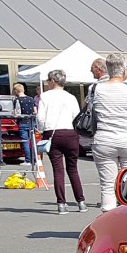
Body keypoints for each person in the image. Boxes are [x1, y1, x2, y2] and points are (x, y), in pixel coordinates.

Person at [90, 53, 127, 211]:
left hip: (105, 140)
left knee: (108, 185)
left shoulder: (96, 89)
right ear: (125, 70)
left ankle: (108, 218)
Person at [36, 69, 87, 213]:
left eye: (48, 80)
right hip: (70, 133)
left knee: (58, 170)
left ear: (53, 81)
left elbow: (40, 118)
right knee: (73, 168)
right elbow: (76, 116)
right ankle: (81, 201)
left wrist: (41, 130)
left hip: (52, 133)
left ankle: (61, 204)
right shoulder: (71, 97)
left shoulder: (45, 96)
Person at [12, 82, 39, 170]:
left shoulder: (17, 100)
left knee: (25, 142)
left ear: (16, 91)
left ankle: (28, 160)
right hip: (31, 122)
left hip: (22, 122)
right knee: (33, 141)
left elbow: (16, 113)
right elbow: (35, 111)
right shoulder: (31, 99)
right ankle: (35, 159)